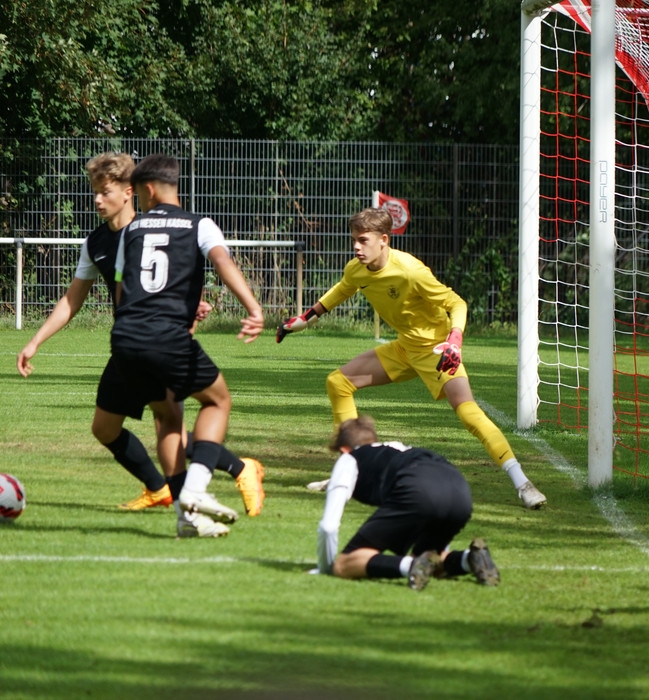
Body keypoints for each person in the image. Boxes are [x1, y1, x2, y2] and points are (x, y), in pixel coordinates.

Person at [16, 153, 265, 519]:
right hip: (130, 340)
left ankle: (208, 489)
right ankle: (169, 488)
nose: (97, 200)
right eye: (95, 192)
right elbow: (72, 299)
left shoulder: (150, 228)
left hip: (159, 337)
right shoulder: (97, 243)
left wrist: (189, 306)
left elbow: (181, 271)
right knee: (107, 428)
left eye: (105, 192)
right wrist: (36, 340)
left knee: (168, 420)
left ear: (131, 192)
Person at [276, 207, 546, 509]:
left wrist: (454, 341)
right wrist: (305, 318)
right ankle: (349, 472)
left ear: (384, 240)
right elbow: (341, 290)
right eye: (354, 240)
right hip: (404, 349)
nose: (356, 247)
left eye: (363, 240)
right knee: (338, 382)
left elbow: (456, 303)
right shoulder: (356, 269)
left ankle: (523, 483)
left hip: (437, 351)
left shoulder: (410, 271)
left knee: (469, 413)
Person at [111, 152, 265, 537]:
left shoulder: (130, 229)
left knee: (167, 417)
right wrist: (253, 307)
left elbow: (121, 289)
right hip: (167, 336)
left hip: (126, 338)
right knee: (218, 400)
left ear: (148, 189)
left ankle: (187, 518)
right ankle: (195, 489)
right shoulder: (199, 224)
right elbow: (222, 262)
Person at [313, 415, 500, 591]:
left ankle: (411, 565)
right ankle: (469, 559)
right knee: (429, 559)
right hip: (460, 490)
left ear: (343, 450)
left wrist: (326, 568)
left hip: (418, 490)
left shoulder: (349, 458)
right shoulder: (399, 448)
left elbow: (328, 527)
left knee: (344, 564)